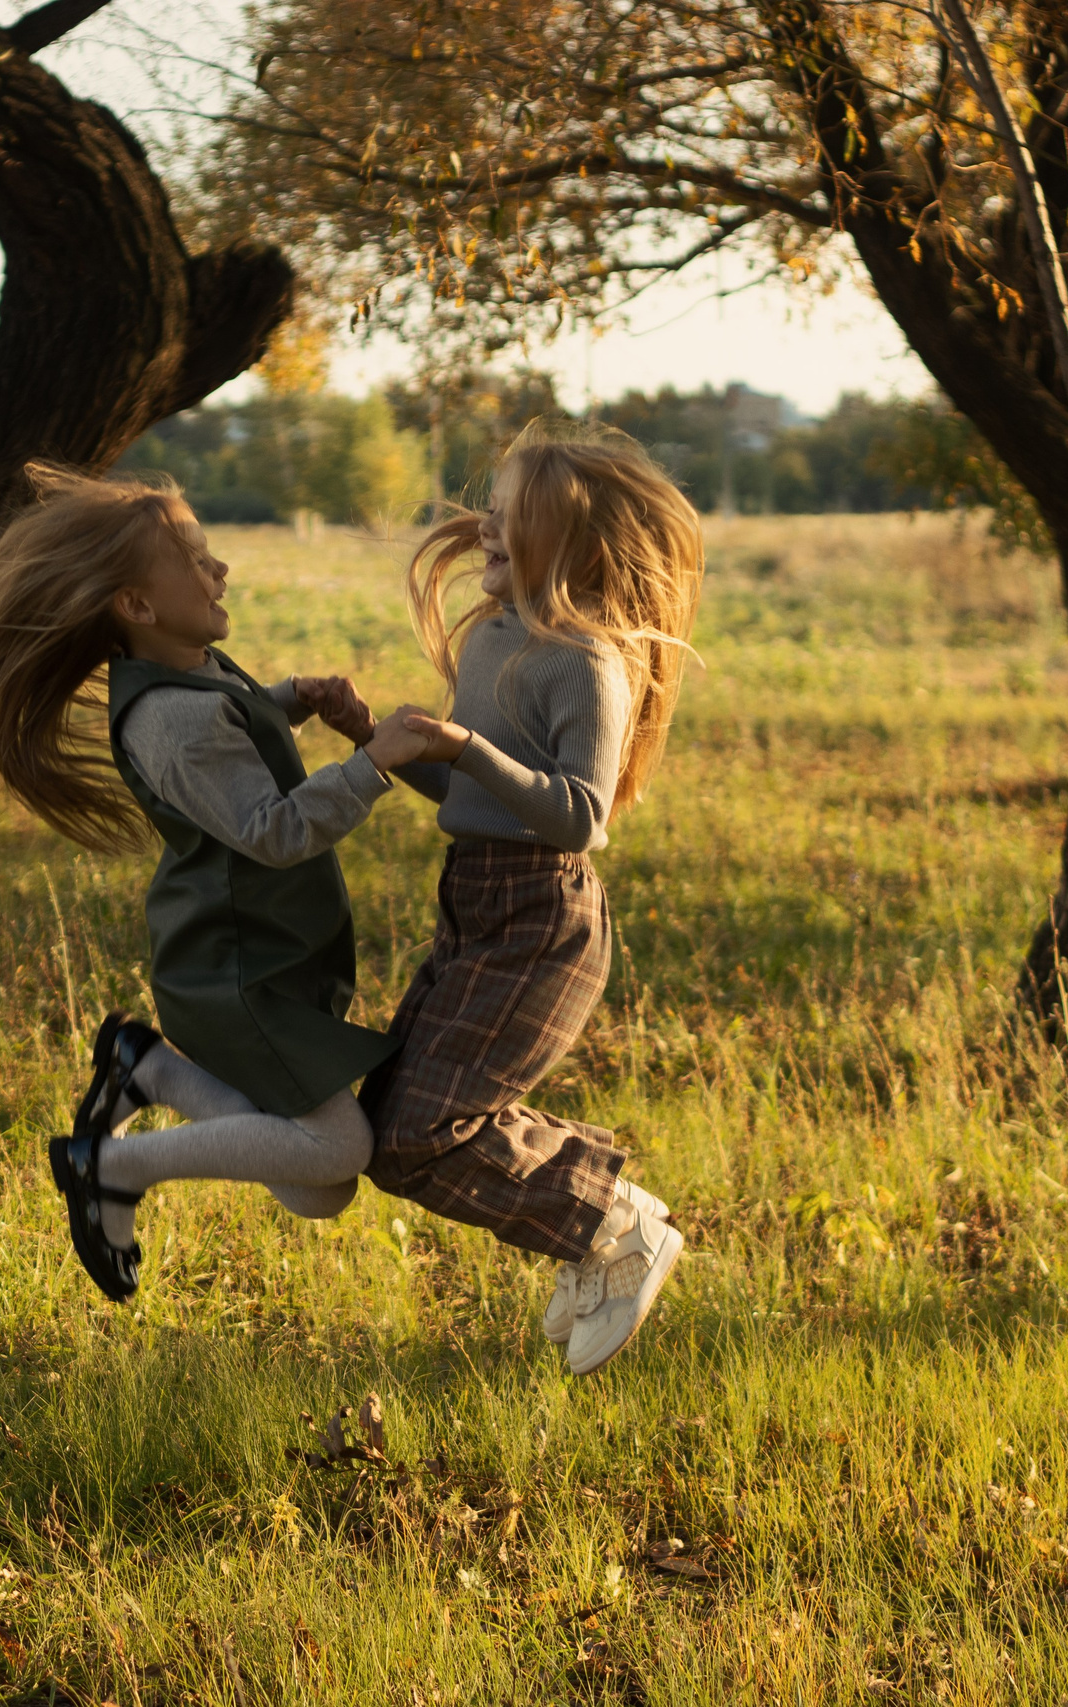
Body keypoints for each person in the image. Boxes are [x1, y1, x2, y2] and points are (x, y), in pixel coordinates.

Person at [0, 466, 428, 1302]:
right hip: (236, 969)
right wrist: (371, 767)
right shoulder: (171, 718)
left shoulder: (196, 673)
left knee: (319, 1186)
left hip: (260, 950)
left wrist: (285, 702)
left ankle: (149, 1071)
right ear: (136, 606)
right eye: (199, 561)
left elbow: (229, 731)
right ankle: (109, 1167)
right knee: (339, 1150)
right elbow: (272, 830)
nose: (221, 572)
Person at [349, 424, 704, 1376]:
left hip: (542, 917)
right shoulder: (496, 640)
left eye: (511, 521)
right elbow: (476, 799)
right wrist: (377, 739)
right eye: (492, 514)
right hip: (472, 899)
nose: (484, 534)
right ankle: (602, 1219)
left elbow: (578, 816)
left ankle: (607, 1227)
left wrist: (465, 748)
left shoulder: (589, 662)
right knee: (388, 1124)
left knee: (423, 1127)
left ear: (570, 544)